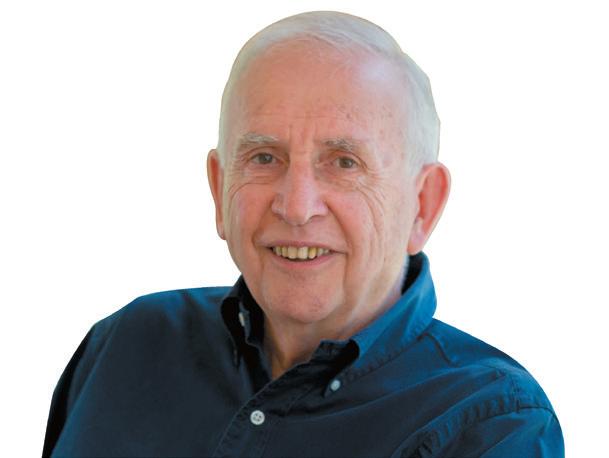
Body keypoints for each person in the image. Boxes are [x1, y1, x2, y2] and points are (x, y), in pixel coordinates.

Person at [43, 11, 564, 457]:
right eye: (264, 158)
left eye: (344, 162)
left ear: (422, 205)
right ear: (219, 189)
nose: (296, 207)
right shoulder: (124, 345)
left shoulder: (492, 424)